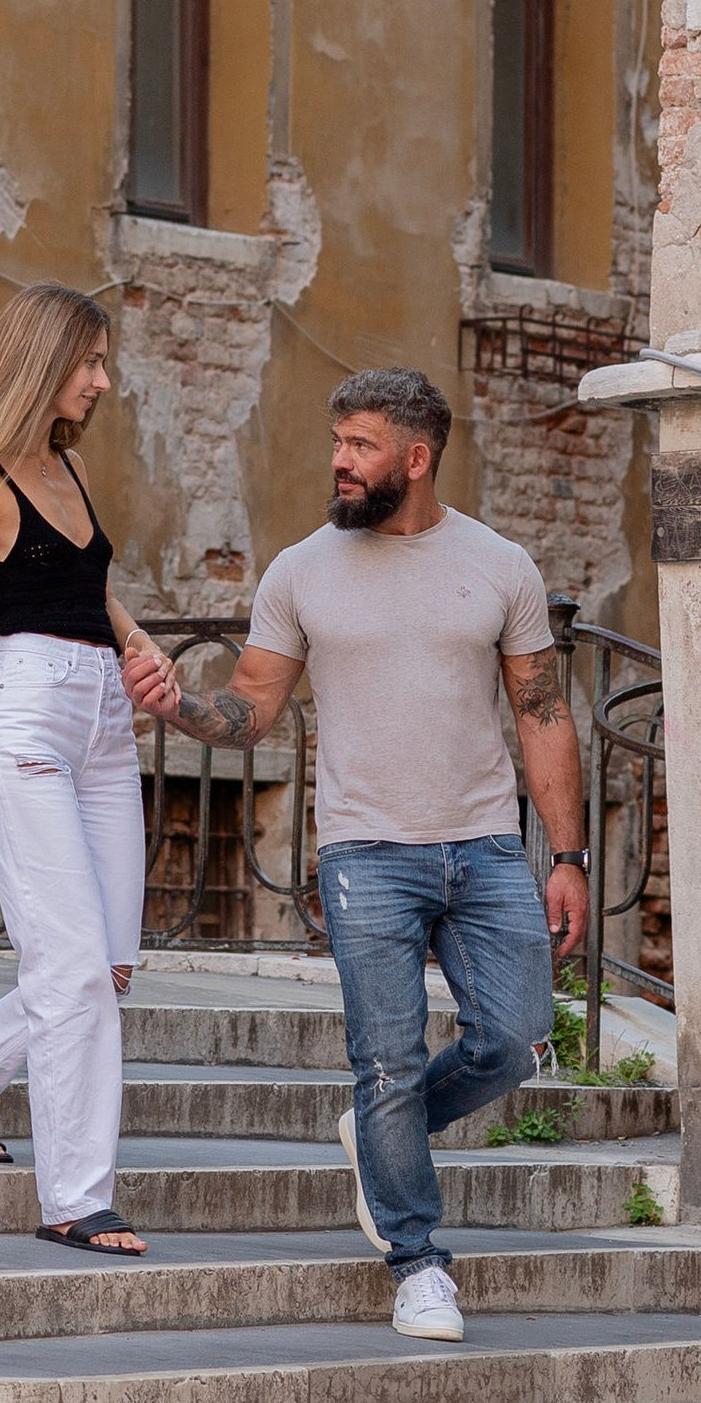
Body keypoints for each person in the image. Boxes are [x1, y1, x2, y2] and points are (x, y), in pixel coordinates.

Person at [126, 368, 586, 1339]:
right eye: (336, 440)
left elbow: (542, 714)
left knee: (514, 1040)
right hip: (364, 851)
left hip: (485, 846)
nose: (339, 460)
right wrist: (181, 706)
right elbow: (251, 706)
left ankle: (388, 1136)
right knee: (384, 1059)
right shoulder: (301, 569)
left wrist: (569, 855)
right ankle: (419, 1261)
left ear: (415, 459)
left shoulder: (499, 564)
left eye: (362, 443)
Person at [0, 282, 163, 1255]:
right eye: (89, 361)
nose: (100, 378)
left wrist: (138, 642)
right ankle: (76, 1198)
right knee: (71, 970)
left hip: (100, 719)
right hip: (22, 716)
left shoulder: (66, 464)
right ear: (45, 362)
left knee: (109, 964)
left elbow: (84, 582)